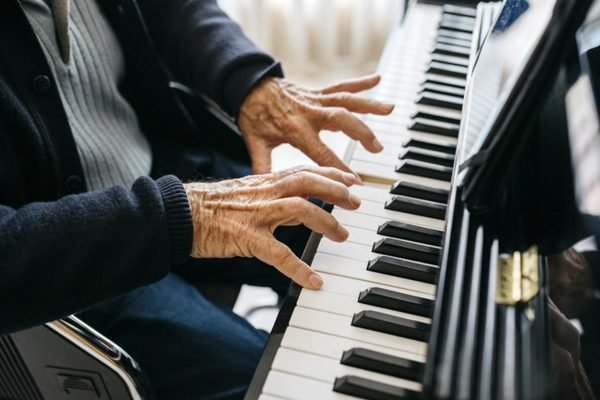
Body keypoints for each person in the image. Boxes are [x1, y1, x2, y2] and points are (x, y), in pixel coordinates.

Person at [0, 0, 393, 398]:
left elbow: (169, 8)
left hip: (167, 177)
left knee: (354, 229)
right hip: (79, 266)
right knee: (276, 380)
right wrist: (188, 217)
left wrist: (250, 81)